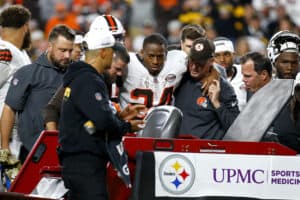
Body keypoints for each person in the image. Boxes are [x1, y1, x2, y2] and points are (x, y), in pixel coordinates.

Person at [58, 30, 144, 200]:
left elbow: (92, 119)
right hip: (85, 164)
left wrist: (119, 118)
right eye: (112, 51)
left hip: (78, 162)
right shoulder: (89, 80)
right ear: (103, 51)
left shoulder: (81, 77)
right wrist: (126, 126)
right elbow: (102, 121)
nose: (113, 55)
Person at [0, 25, 75, 163]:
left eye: (71, 51)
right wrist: (5, 148)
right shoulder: (27, 73)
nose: (67, 56)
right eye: (62, 50)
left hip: (69, 154)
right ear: (50, 46)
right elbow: (9, 109)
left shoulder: (76, 73)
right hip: (33, 154)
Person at [43, 42, 130, 130]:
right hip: (71, 139)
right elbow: (52, 109)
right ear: (108, 59)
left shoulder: (107, 81)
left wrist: (119, 117)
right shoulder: (84, 78)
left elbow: (92, 120)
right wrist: (53, 139)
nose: (120, 74)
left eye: (122, 70)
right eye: (117, 69)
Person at [174, 37, 239, 139]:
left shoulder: (222, 87)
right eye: (192, 61)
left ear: (211, 61)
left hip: (206, 151)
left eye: (200, 63)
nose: (194, 67)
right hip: (178, 150)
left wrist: (217, 104)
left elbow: (235, 127)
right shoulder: (179, 78)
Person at [119, 33, 187, 108]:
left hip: (164, 118)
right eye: (151, 56)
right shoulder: (128, 63)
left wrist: (203, 79)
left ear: (166, 54)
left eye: (160, 56)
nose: (155, 61)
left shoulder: (178, 60)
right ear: (141, 53)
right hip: (131, 118)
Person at [0, 5, 32, 158]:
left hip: (17, 132)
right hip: (5, 133)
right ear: (26, 27)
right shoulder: (5, 50)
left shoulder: (21, 52)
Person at [267, 30, 300, 153]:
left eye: (294, 63)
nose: (290, 67)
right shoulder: (263, 85)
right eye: (284, 62)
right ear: (274, 61)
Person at [213, 37, 247, 110]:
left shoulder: (245, 71)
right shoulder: (206, 78)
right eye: (217, 56)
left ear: (234, 55)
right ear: (211, 59)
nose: (222, 59)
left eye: (226, 54)